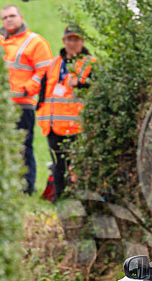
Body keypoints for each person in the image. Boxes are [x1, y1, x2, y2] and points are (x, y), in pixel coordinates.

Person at [36, 25, 96, 201]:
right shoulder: (54, 63)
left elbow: (98, 88)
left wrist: (80, 84)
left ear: (82, 42)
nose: (72, 43)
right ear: (64, 41)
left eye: (76, 39)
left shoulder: (90, 64)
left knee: (80, 165)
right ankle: (60, 199)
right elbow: (44, 89)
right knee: (58, 165)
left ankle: (82, 199)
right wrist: (40, 108)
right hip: (53, 125)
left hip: (77, 126)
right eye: (69, 39)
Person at [0, 4, 53, 195]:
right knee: (2, 148)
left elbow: (45, 70)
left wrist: (27, 89)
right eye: (4, 17)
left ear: (21, 17)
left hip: (22, 104)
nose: (9, 20)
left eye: (12, 16)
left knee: (23, 147)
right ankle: (6, 187)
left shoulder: (35, 42)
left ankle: (27, 187)